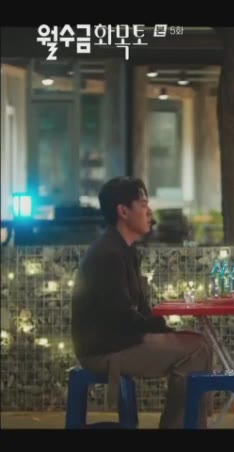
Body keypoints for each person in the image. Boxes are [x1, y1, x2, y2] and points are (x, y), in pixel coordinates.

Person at [71, 177, 213, 429]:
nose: (150, 212)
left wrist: (161, 327)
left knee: (198, 343)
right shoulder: (108, 254)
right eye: (143, 204)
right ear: (123, 211)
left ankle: (189, 425)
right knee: (196, 349)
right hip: (105, 349)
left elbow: (136, 310)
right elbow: (121, 316)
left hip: (121, 340)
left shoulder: (125, 250)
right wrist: (159, 327)